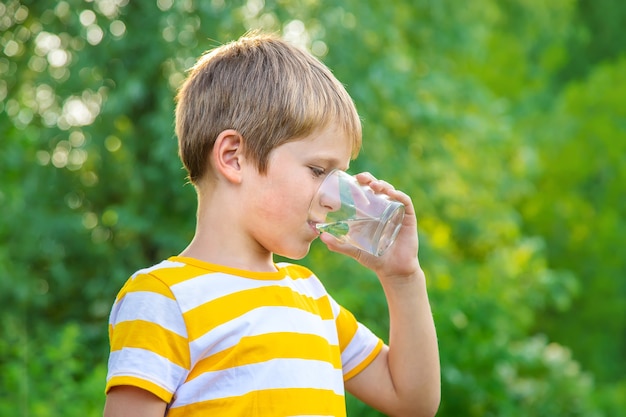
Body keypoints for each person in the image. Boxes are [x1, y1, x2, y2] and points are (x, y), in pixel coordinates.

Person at [103, 31, 440, 417]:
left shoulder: (312, 298)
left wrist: (403, 277)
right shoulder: (163, 299)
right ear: (233, 158)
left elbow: (414, 402)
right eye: (317, 170)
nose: (334, 197)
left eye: (338, 175)